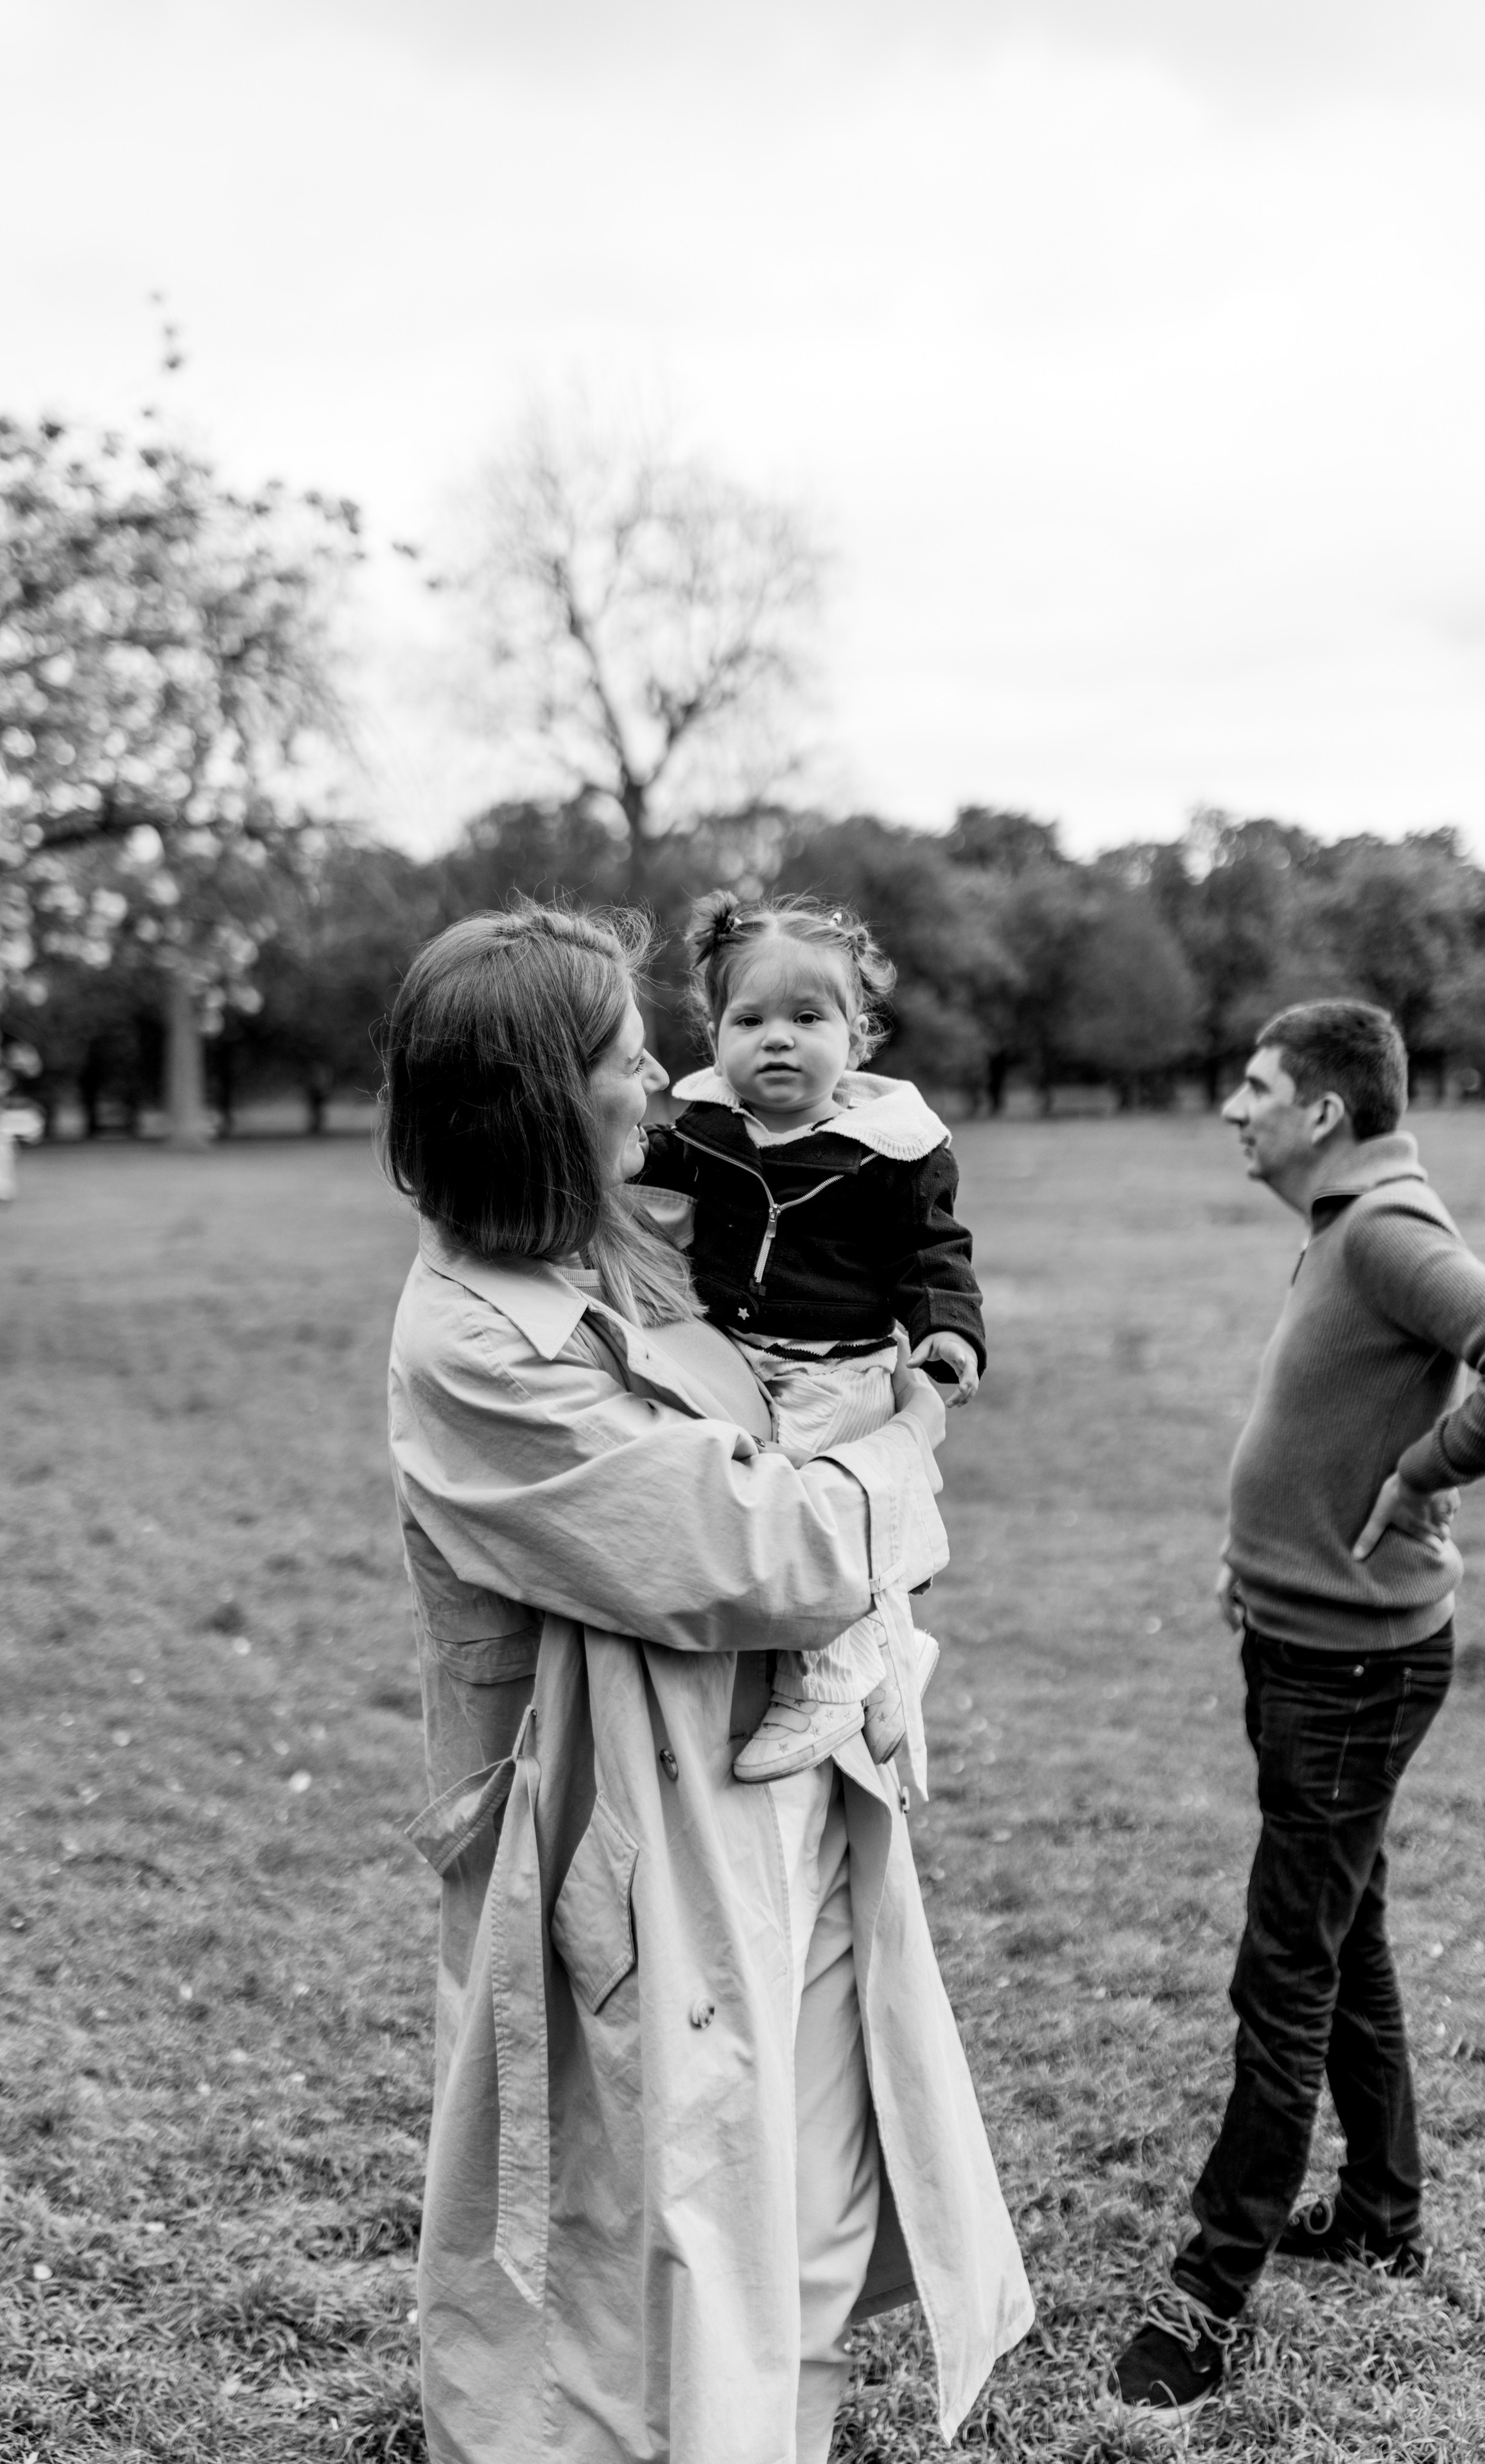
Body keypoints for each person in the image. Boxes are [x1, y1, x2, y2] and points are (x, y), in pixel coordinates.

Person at [381, 903, 1032, 2464]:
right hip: (628, 1859)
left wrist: (893, 1385)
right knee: (633, 2271)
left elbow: (851, 1315)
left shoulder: (625, 1237)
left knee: (799, 2216)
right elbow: (761, 1543)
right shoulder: (473, 1340)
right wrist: (903, 1443)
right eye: (623, 1055)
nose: (664, 1076)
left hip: (778, 1801)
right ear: (542, 1099)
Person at [1109, 999, 1485, 2428]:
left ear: (1320, 1109)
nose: (1231, 1107)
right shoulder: (1341, 1227)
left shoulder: (1380, 1227)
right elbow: (1322, 1419)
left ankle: (1207, 2290)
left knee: (1284, 1969)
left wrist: (1430, 1466)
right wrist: (1260, 1545)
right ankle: (1378, 2209)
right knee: (1343, 1929)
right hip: (1304, 1642)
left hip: (1352, 1673)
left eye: (1252, 1086)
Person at [636, 892, 986, 1783]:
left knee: (822, 1517)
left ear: (857, 1035)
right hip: (738, 1353)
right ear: (714, 1034)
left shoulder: (891, 1151)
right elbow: (667, 1160)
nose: (777, 1039)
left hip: (839, 1371)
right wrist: (624, 1153)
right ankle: (893, 1655)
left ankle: (830, 1677)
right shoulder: (712, 1127)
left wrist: (947, 1333)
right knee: (755, 1506)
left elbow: (932, 1253)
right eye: (748, 1018)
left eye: (805, 1016)